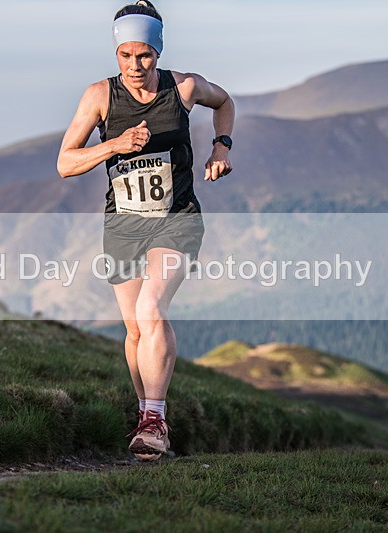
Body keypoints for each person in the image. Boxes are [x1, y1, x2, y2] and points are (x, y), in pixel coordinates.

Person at [57, 1, 234, 461]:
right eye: (126, 56)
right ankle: (145, 417)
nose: (135, 67)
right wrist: (114, 144)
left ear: (158, 50)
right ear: (116, 53)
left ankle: (156, 420)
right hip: (123, 225)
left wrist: (221, 146)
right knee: (135, 329)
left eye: (145, 56)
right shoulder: (99, 96)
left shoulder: (185, 87)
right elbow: (65, 163)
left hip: (177, 220)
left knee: (152, 309)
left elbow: (225, 101)